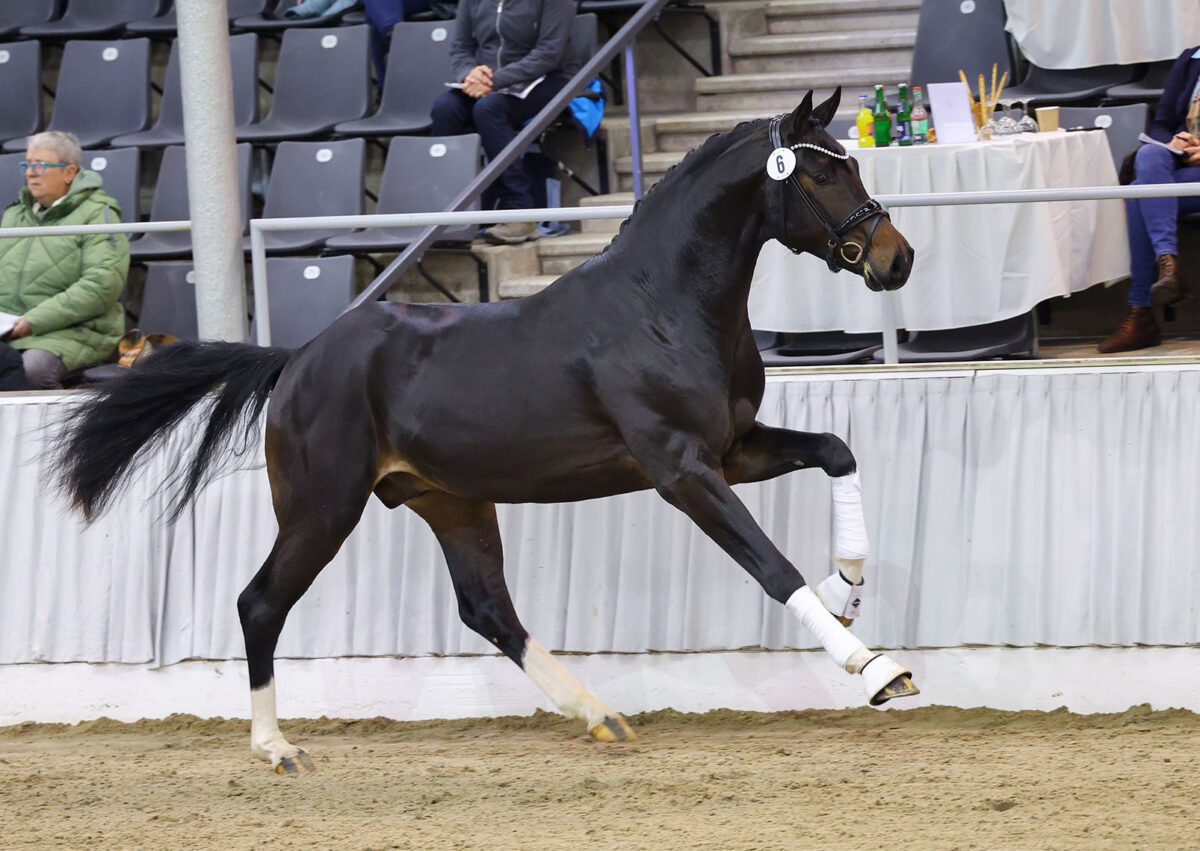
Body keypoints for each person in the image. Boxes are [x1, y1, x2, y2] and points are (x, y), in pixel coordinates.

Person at [430, 0, 577, 245]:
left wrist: (494, 81)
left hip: (547, 79)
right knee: (445, 109)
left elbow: (548, 54)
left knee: (489, 109)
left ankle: (519, 212)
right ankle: (448, 209)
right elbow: (460, 47)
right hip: (487, 82)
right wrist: (469, 73)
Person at [0, 131, 130, 389]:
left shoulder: (97, 213)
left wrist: (35, 320)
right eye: (27, 164)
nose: (30, 173)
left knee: (32, 371)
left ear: (69, 172)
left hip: (76, 331)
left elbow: (102, 284)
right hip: (11, 330)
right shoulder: (15, 214)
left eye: (40, 165)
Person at [1099, 46, 1200, 353]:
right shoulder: (1191, 59)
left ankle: (1142, 314)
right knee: (1150, 153)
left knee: (1139, 197)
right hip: (1185, 168)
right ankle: (1168, 266)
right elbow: (1161, 122)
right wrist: (1171, 141)